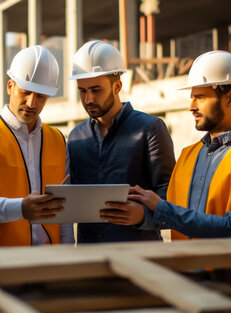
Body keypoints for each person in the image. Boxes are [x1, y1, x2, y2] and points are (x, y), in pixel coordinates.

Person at [131, 50, 231, 240]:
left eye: (201, 97)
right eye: (192, 97)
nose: (191, 106)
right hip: (186, 268)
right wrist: (139, 215)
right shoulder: (187, 156)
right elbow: (174, 215)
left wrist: (160, 207)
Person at [0, 45, 74, 247]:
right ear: (10, 86)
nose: (31, 102)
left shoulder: (57, 139)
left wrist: (66, 254)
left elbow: (63, 210)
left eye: (41, 96)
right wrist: (20, 208)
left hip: (49, 260)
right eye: (25, 92)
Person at [67, 40, 175, 243]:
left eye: (96, 90)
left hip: (141, 258)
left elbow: (171, 195)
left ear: (117, 86)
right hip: (89, 258)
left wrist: (143, 216)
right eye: (82, 90)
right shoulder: (75, 137)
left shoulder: (150, 129)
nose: (88, 99)